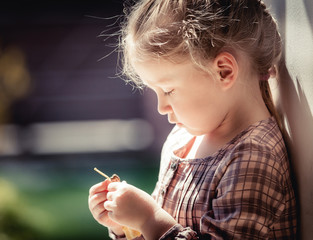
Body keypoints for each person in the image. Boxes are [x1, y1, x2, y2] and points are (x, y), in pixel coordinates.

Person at [88, 0, 297, 239]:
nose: (161, 107)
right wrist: (125, 225)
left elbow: (159, 224)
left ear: (223, 71)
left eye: (168, 90)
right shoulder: (183, 139)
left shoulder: (253, 158)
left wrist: (148, 218)